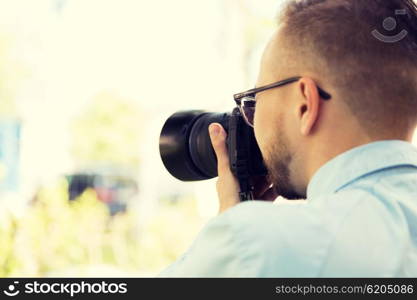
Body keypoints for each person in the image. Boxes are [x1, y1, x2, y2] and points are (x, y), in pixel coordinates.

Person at [159, 0, 417, 277]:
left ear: (305, 104)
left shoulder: (256, 243)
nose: (252, 123)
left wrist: (230, 231)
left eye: (254, 102)